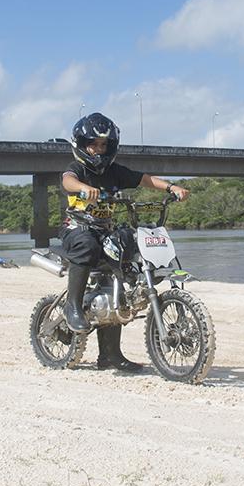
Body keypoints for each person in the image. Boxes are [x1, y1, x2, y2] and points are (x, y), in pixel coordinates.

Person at [60, 112, 190, 372]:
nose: (98, 149)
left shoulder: (114, 171)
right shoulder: (79, 170)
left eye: (103, 145)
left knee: (121, 269)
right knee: (87, 244)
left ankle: (110, 356)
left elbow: (143, 179)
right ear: (82, 144)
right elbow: (67, 180)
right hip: (77, 230)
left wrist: (170, 187)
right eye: (93, 144)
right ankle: (72, 305)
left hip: (105, 231)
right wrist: (83, 189)